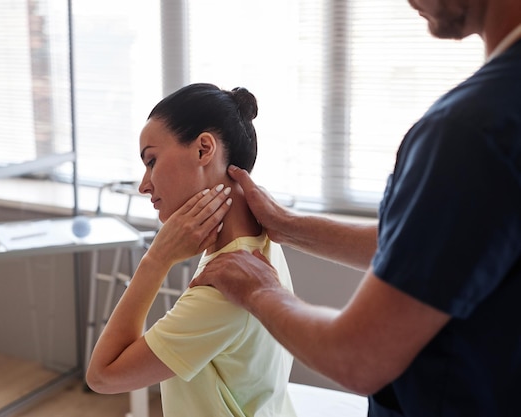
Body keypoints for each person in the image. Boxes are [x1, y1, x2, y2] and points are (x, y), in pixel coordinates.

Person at [189, 1, 521, 416]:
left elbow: (360, 357)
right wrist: (286, 225)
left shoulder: (470, 131)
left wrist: (258, 290)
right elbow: (439, 245)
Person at [86, 83, 297, 417]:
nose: (144, 185)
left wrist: (155, 260)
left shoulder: (224, 289)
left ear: (203, 150)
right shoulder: (260, 237)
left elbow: (102, 375)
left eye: (151, 160)